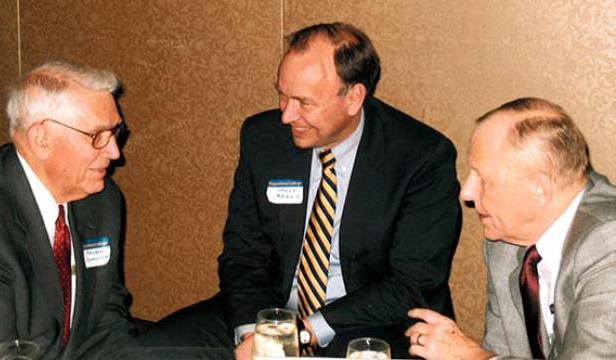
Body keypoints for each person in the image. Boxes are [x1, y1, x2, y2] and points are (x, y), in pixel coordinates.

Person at [140, 22, 461, 359]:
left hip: (368, 321)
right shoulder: (262, 139)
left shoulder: (421, 156)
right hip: (271, 309)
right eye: (282, 94)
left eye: (304, 103)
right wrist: (258, 332)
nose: (286, 115)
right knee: (149, 351)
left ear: (354, 98)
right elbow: (243, 252)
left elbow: (410, 284)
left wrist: (302, 332)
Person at [405, 97, 616, 359]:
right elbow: (503, 350)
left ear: (539, 188)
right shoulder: (504, 242)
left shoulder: (609, 245)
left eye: (483, 178)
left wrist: (474, 358)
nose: (467, 193)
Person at [0, 60, 139, 359]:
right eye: (97, 135)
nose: (114, 152)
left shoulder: (102, 199)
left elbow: (106, 316)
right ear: (41, 140)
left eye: (115, 132)